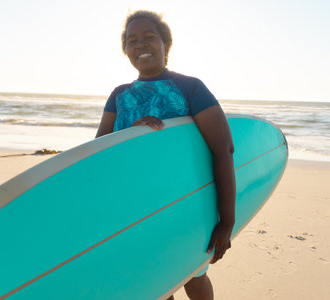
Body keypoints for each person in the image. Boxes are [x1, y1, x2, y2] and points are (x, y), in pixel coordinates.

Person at [96, 10, 236, 300]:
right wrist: (133, 135)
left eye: (149, 37)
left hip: (185, 202)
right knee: (155, 280)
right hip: (134, 206)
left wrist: (227, 222)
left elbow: (223, 151)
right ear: (125, 50)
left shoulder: (190, 88)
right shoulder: (119, 95)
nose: (141, 44)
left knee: (193, 276)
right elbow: (100, 152)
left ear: (165, 44)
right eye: (132, 40)